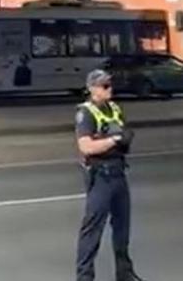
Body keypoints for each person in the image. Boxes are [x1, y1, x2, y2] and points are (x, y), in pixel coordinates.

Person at [75, 69, 145, 281]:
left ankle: (124, 273)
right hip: (101, 177)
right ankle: (84, 277)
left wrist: (124, 139)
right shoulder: (85, 113)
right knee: (92, 231)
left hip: (118, 173)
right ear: (92, 89)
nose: (109, 89)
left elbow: (122, 133)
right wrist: (114, 140)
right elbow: (86, 146)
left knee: (122, 229)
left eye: (110, 85)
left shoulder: (115, 108)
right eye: (104, 86)